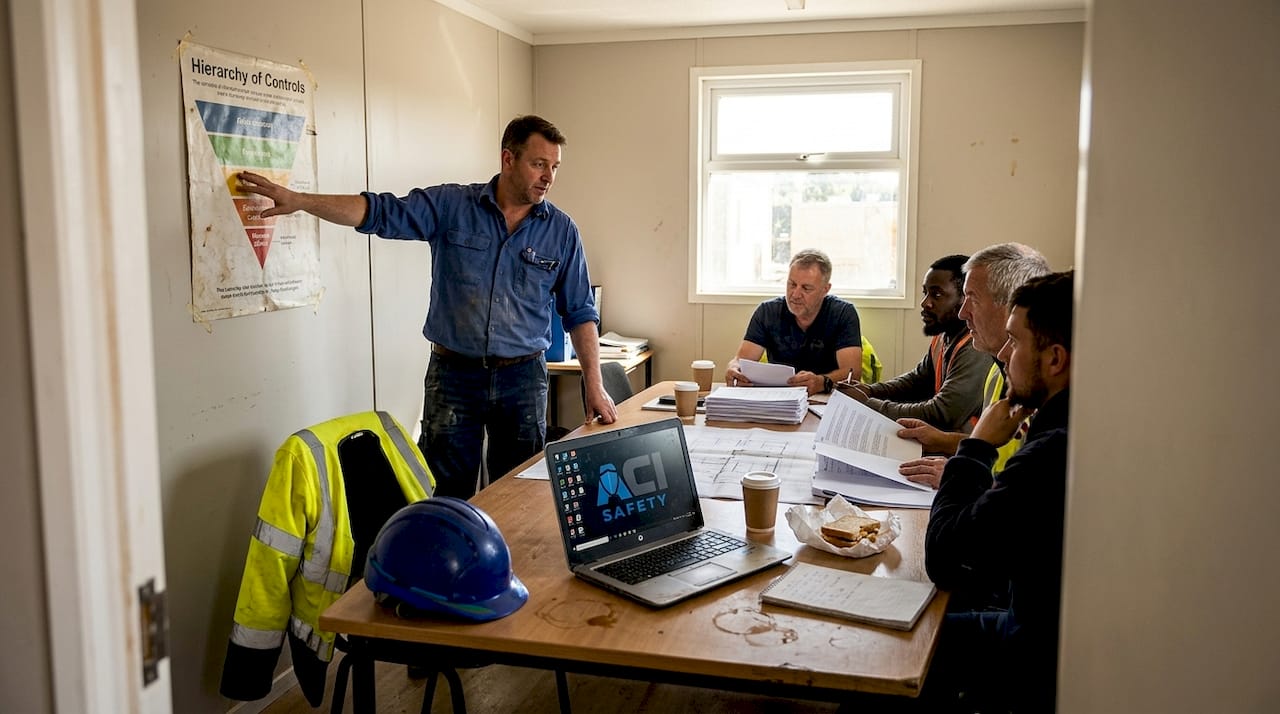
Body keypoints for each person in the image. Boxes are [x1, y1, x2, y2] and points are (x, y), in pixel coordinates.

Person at [236, 115, 617, 499]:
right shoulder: (452, 206)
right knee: (445, 494)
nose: (548, 177)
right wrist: (300, 201)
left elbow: (580, 312)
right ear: (508, 159)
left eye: (554, 167)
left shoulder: (561, 231)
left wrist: (594, 385)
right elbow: (379, 212)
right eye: (539, 164)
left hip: (523, 380)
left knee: (518, 493)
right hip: (454, 378)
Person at [922, 270, 1073, 712]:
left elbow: (945, 559)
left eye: (1015, 341)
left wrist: (976, 448)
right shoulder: (1071, 424)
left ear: (1055, 359)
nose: (1005, 355)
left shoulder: (1053, 451)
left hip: (1031, 655)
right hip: (1028, 622)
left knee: (897, 646)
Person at [894, 243, 1050, 488]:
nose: (962, 313)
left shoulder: (1041, 386)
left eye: (972, 300)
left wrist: (961, 474)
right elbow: (996, 446)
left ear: (1010, 306)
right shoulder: (996, 371)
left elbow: (1025, 493)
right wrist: (941, 440)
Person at [834, 254, 991, 431]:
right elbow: (916, 382)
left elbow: (942, 414)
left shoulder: (975, 347)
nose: (925, 303)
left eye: (936, 295)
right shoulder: (943, 336)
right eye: (925, 293)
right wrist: (869, 390)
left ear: (965, 299)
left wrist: (867, 404)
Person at [724, 249, 862, 395]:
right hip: (778, 397)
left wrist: (822, 382)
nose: (795, 294)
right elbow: (741, 360)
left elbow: (853, 374)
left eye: (806, 288)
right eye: (792, 284)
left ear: (825, 289)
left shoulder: (843, 313)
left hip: (826, 397)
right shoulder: (767, 312)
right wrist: (733, 369)